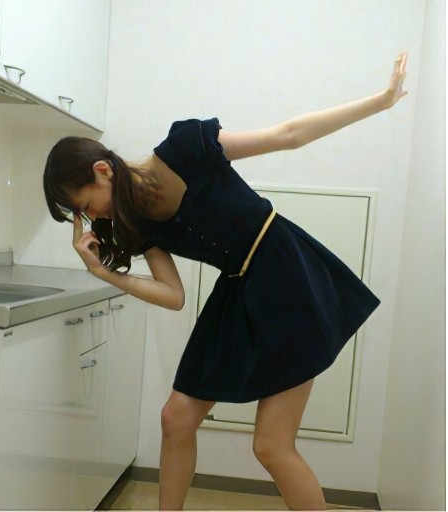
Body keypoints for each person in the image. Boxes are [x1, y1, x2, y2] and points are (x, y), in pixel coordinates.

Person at [43, 52, 408, 510]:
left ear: (102, 171)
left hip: (285, 271)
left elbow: (288, 135)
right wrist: (102, 272)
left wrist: (381, 101)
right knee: (176, 418)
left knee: (271, 445)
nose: (91, 217)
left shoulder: (185, 147)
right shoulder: (139, 222)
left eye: (84, 205)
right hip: (238, 285)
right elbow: (173, 295)